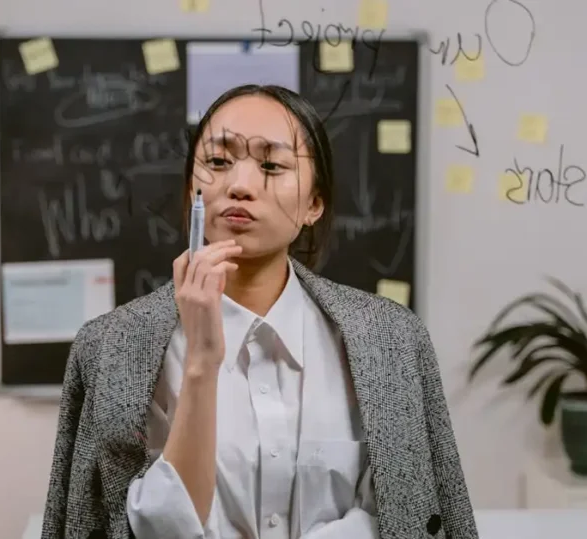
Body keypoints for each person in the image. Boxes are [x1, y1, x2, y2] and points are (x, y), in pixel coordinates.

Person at [41, 84, 477, 539]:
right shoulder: (111, 347)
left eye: (271, 166)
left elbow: (401, 515)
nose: (240, 186)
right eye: (217, 162)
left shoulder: (391, 341)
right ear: (193, 188)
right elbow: (150, 526)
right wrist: (201, 364)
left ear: (314, 204)